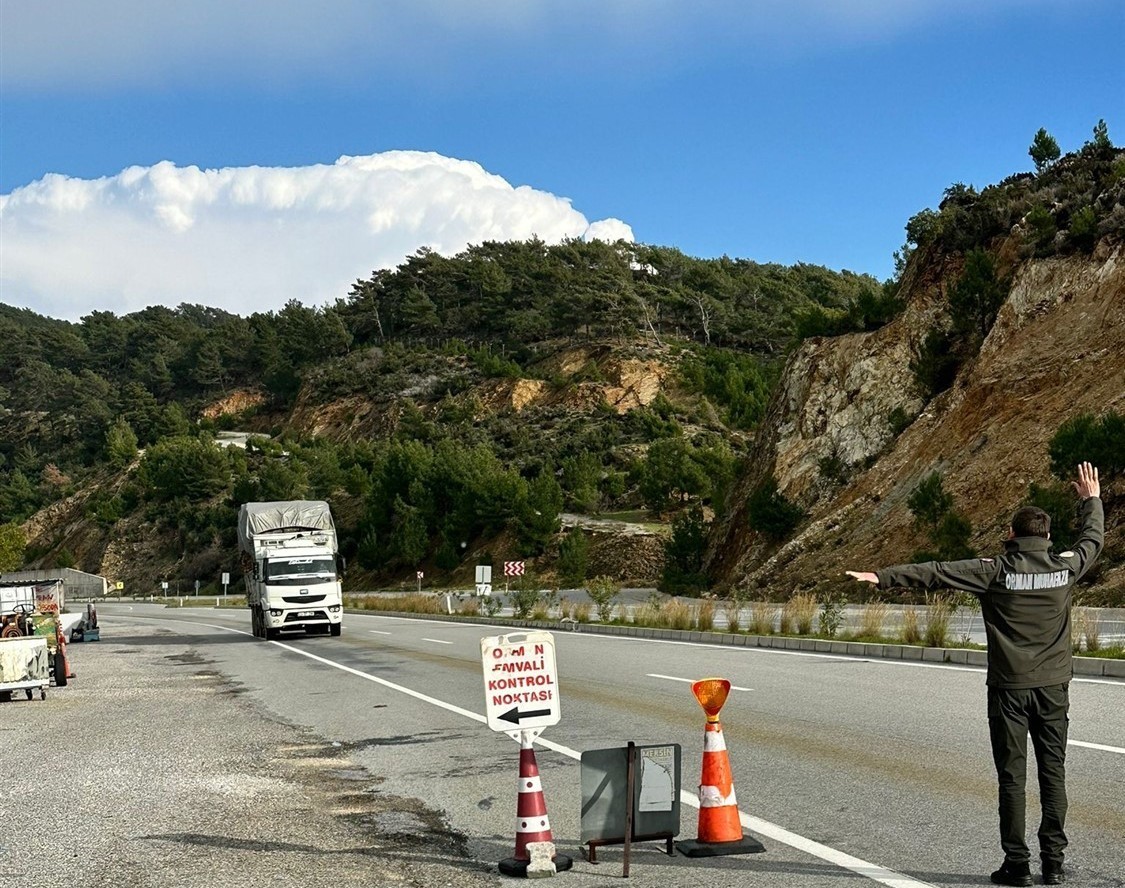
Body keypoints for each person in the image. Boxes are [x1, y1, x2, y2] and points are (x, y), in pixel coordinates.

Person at [846, 462, 1103, 887]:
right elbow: (1092, 540)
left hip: (1009, 692)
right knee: (1053, 774)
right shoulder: (1066, 566)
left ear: (1010, 534)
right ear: (1047, 536)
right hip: (1054, 688)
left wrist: (883, 577)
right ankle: (1054, 865)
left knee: (1012, 778)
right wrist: (1090, 500)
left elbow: (939, 571)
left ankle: (1017, 866)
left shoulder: (997, 570)